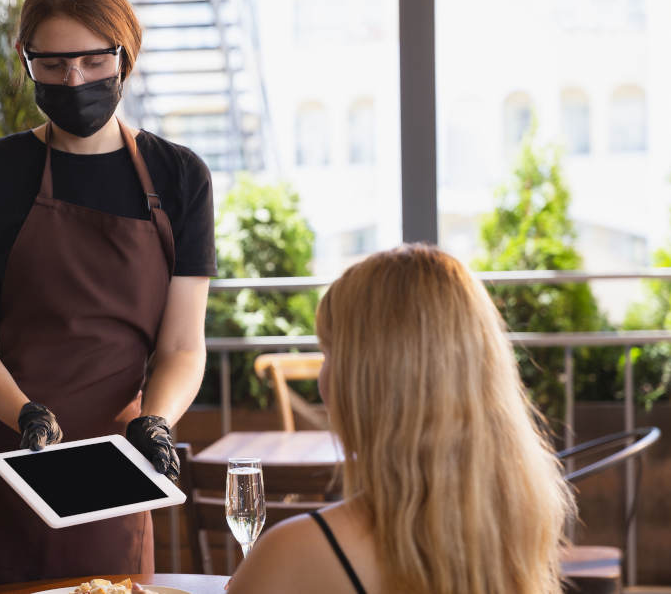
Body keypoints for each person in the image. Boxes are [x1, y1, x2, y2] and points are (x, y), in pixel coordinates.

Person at [0, 0, 216, 591]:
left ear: (126, 55)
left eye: (94, 60)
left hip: (110, 469)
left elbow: (182, 345)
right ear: (27, 59)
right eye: (52, 63)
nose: (74, 80)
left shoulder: (179, 176)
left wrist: (155, 422)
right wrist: (24, 414)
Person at [227, 244, 574, 594]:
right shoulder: (521, 529)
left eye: (329, 352)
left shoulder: (296, 553)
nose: (323, 378)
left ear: (365, 381)